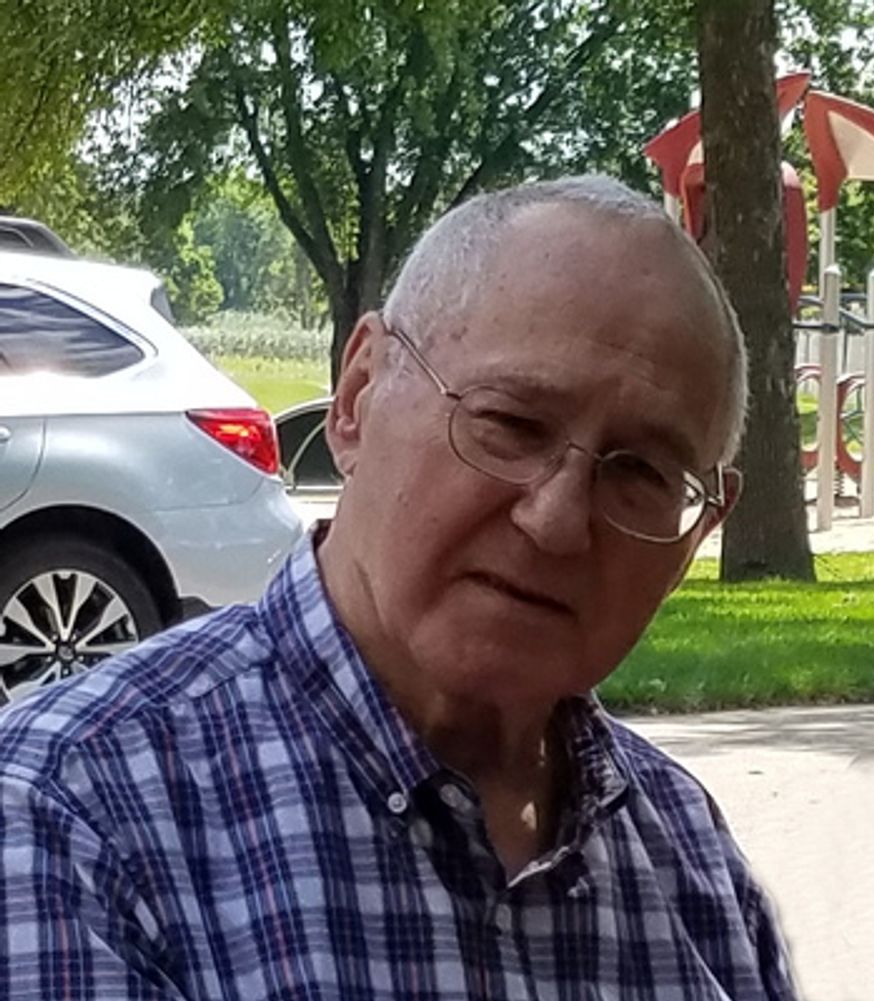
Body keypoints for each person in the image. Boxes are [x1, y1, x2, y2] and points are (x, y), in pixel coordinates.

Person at [0, 175, 797, 1000]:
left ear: (698, 531)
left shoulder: (688, 854)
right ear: (357, 397)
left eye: (639, 472)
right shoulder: (65, 821)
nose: (558, 520)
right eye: (510, 424)